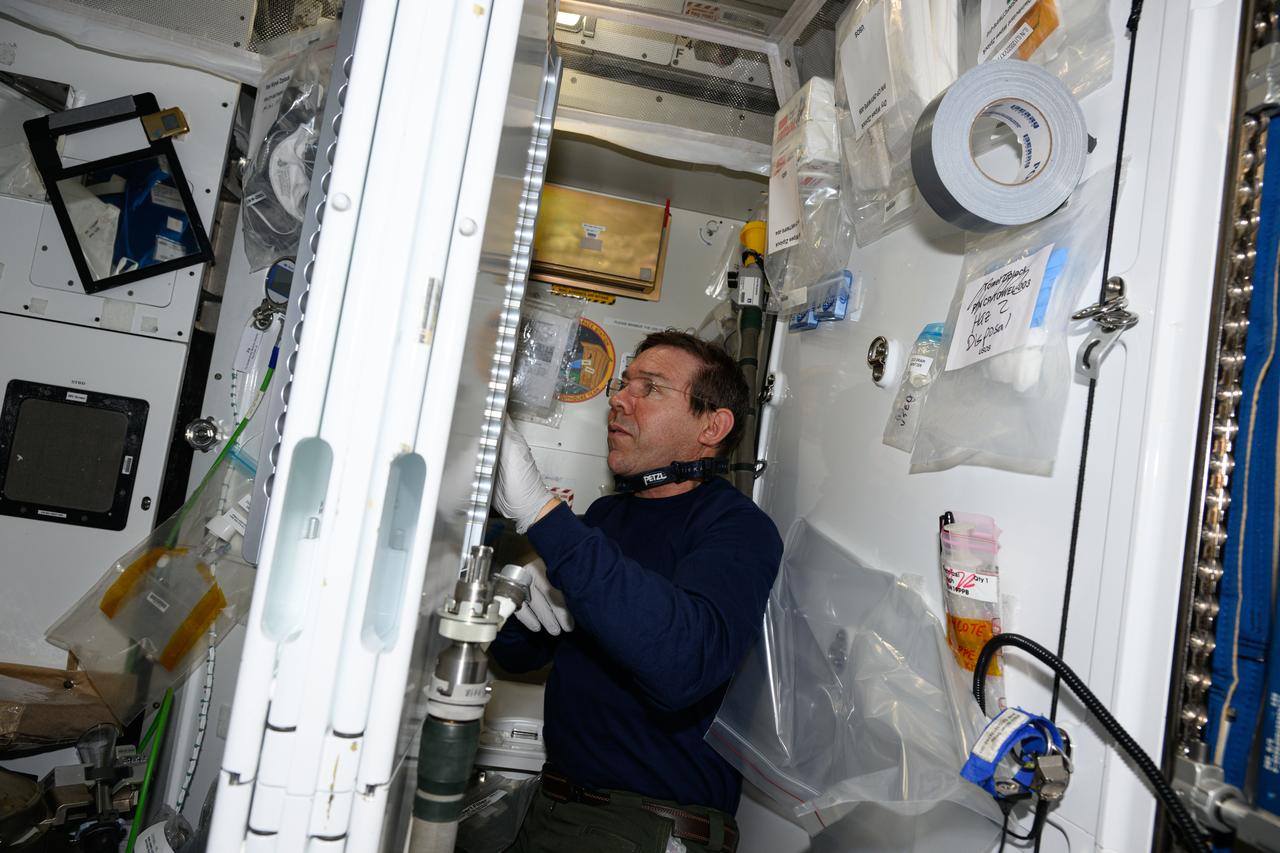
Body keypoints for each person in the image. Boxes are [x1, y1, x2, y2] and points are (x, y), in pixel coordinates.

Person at [490, 330, 783, 853]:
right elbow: (518, 654)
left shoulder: (737, 528)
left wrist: (545, 518)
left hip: (648, 827)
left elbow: (682, 665)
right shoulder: (606, 518)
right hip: (552, 806)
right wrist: (514, 584)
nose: (619, 400)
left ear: (712, 426)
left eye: (649, 388)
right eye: (624, 384)